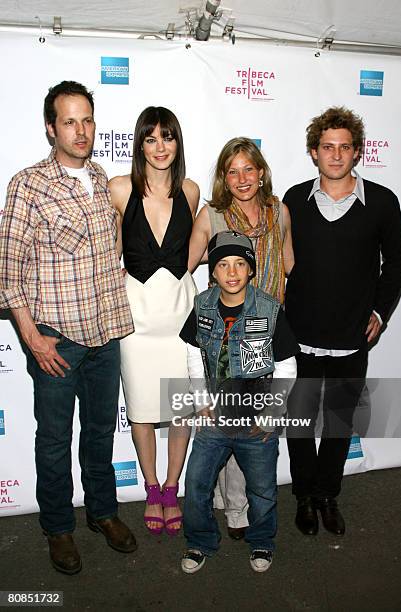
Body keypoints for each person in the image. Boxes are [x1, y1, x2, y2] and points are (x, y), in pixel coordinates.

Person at [0, 81, 137, 575]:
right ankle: (58, 527)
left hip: (106, 336)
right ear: (50, 128)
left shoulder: (101, 178)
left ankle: (102, 512)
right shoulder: (27, 185)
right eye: (69, 122)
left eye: (87, 120)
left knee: (100, 433)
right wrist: (32, 337)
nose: (81, 131)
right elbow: (8, 274)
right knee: (54, 440)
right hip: (56, 340)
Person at [284, 106, 401, 536]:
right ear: (314, 152)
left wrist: (380, 312)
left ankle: (326, 495)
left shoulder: (383, 202)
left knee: (338, 423)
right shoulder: (294, 200)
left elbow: (396, 263)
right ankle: (302, 496)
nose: (335, 155)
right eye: (327, 147)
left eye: (344, 147)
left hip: (352, 337)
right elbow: (276, 262)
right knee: (298, 423)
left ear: (357, 153)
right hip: (299, 336)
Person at [188, 137, 294, 539]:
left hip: (264, 328)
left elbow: (289, 263)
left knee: (250, 420)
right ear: (223, 178)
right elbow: (188, 262)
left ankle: (236, 507)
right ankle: (229, 506)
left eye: (249, 168)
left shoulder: (278, 212)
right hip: (227, 327)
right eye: (232, 171)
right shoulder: (212, 215)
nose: (242, 178)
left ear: (262, 171)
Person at [180, 231, 299, 573]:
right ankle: (200, 542)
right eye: (223, 264)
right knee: (197, 484)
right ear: (212, 272)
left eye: (240, 264)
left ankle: (262, 541)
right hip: (214, 419)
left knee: (261, 490)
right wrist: (201, 399)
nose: (231, 272)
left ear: (251, 270)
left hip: (256, 421)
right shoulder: (201, 304)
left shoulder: (270, 309)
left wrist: (272, 413)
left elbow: (287, 365)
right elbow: (192, 351)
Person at [109, 107, 199, 537]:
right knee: (142, 409)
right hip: (137, 319)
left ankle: (172, 486)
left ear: (178, 143)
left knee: (182, 408)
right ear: (140, 144)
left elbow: (195, 251)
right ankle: (150, 488)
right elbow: (105, 250)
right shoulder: (119, 188)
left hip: (181, 314)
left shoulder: (192, 191)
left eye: (168, 137)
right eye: (151, 139)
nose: (160, 147)